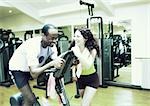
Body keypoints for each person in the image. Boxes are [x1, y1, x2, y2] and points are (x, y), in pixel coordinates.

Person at [9, 24, 65, 106]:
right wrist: (51, 64)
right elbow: (34, 74)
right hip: (18, 70)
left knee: (28, 99)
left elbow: (55, 61)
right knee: (31, 99)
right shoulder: (33, 46)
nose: (55, 41)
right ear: (43, 35)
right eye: (52, 38)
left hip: (31, 69)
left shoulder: (52, 46)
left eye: (56, 38)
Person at [70, 28, 100, 106]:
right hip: (81, 79)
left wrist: (78, 54)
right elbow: (73, 64)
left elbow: (87, 65)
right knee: (86, 102)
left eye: (78, 36)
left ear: (85, 38)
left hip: (92, 79)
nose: (75, 38)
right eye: (74, 36)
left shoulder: (92, 50)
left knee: (84, 104)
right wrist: (73, 75)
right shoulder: (74, 49)